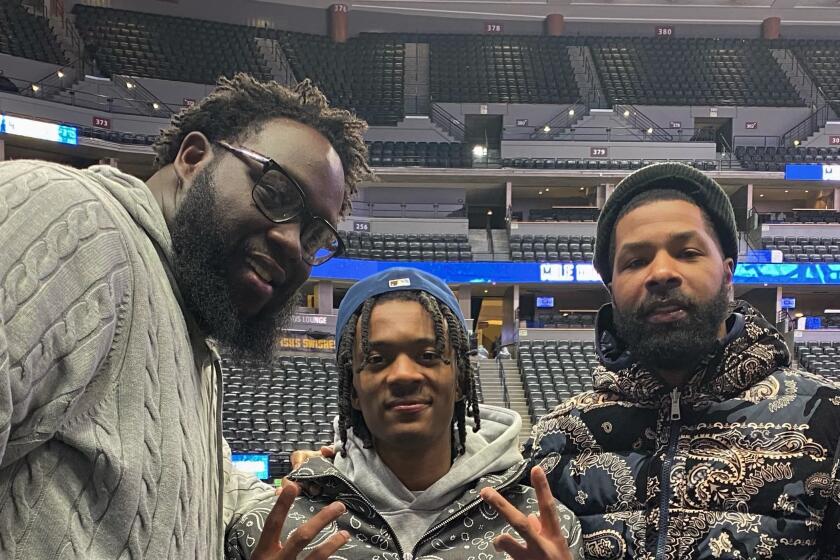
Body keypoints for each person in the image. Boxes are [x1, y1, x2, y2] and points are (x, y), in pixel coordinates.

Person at [0, 74, 372, 559]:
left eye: (314, 237)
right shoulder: (74, 218)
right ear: (194, 159)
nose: (290, 242)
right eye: (277, 194)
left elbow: (181, 491)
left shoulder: (191, 333)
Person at [525, 162, 840, 559]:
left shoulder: (829, 419)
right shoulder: (556, 439)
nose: (661, 273)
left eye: (687, 253)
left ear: (728, 274)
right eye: (635, 261)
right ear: (611, 290)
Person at [225, 267, 583, 560]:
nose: (403, 375)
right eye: (377, 360)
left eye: (428, 355)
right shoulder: (273, 530)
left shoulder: (543, 531)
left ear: (459, 381)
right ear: (352, 389)